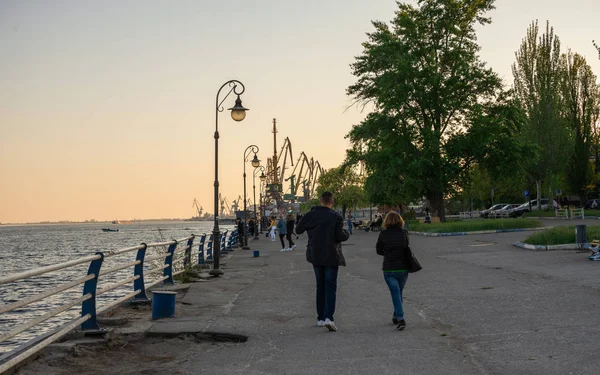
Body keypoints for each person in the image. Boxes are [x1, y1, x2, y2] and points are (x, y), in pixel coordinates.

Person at [296, 191, 350, 332]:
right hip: (331, 255)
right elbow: (340, 236)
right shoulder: (336, 217)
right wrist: (346, 233)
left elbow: (298, 229)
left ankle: (320, 318)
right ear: (331, 202)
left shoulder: (310, 214)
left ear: (320, 200)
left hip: (315, 254)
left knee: (320, 285)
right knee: (330, 286)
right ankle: (328, 318)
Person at [376, 211, 409, 331]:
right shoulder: (404, 233)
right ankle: (396, 315)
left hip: (389, 269)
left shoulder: (383, 233)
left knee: (395, 293)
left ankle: (401, 318)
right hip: (403, 268)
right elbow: (406, 247)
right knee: (399, 292)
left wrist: (387, 253)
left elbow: (378, 250)